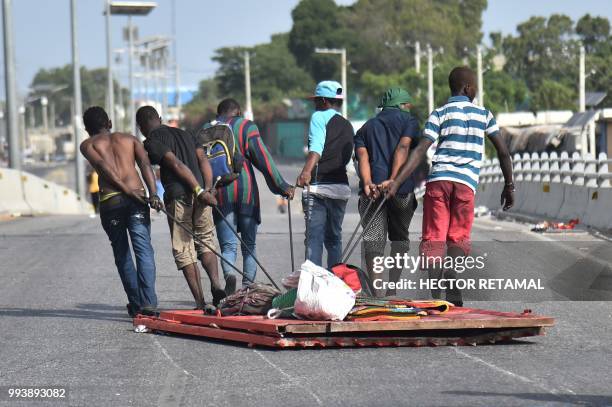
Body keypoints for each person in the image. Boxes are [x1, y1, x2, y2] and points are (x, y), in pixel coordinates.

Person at [380, 67, 515, 306]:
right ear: (468, 88)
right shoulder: (484, 115)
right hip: (465, 184)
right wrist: (509, 185)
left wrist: (396, 182)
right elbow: (503, 153)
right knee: (458, 237)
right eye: (475, 87)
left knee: (434, 237)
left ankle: (436, 298)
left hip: (439, 181)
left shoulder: (439, 113)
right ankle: (452, 272)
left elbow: (421, 150)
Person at [136, 106, 226, 308]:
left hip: (180, 197)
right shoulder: (185, 133)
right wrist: (207, 189)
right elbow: (203, 159)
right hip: (202, 194)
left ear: (141, 127)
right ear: (159, 118)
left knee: (184, 250)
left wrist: (198, 191)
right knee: (206, 240)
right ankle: (216, 285)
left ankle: (201, 302)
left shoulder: (152, 142)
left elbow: (175, 164)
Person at [204, 99, 294, 293]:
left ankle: (229, 275)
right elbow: (263, 158)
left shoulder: (207, 129)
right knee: (249, 245)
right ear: (238, 112)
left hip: (219, 192)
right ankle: (247, 290)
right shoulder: (246, 127)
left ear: (219, 113)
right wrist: (281, 186)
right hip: (246, 191)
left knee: (227, 246)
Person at [80, 106, 162, 317]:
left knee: (122, 253)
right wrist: (153, 193)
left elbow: (103, 167)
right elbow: (145, 165)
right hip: (137, 198)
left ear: (86, 128)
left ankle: (136, 305)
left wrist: (131, 192)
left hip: (111, 202)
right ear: (109, 123)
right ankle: (149, 303)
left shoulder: (88, 144)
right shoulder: (130, 139)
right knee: (143, 249)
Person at [354, 88, 420, 296]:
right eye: (408, 105)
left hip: (372, 192)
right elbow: (403, 147)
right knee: (399, 240)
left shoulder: (366, 127)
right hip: (401, 191)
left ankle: (375, 292)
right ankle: (391, 290)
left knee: (374, 241)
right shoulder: (409, 122)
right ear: (403, 104)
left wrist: (367, 183)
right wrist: (393, 181)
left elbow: (362, 158)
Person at [296, 81, 354, 268]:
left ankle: (313, 289)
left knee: (314, 238)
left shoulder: (318, 117)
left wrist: (306, 172)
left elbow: (316, 148)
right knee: (334, 239)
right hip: (341, 189)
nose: (314, 104)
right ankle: (335, 282)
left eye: (315, 101)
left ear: (322, 100)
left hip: (319, 188)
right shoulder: (347, 125)